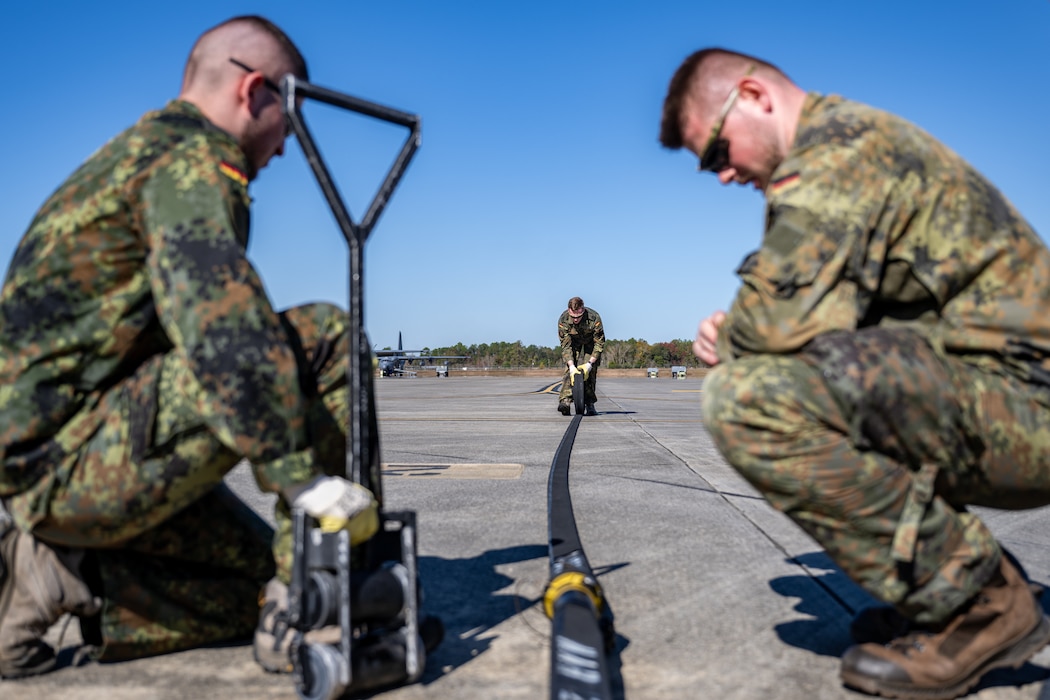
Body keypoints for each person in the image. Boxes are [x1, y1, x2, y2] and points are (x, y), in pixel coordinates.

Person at [660, 47, 1050, 699]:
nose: (723, 175)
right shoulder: (846, 143)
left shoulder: (836, 154)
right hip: (1003, 396)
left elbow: (777, 328)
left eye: (716, 152)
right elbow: (815, 329)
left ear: (754, 96)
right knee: (802, 381)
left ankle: (984, 605)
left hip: (1028, 409)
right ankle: (940, 596)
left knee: (747, 401)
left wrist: (732, 334)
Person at [0, 16, 382, 679]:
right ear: (254, 91)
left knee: (256, 579)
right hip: (70, 463)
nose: (288, 145)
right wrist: (305, 482)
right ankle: (311, 610)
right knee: (326, 337)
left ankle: (62, 571)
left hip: (56, 465)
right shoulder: (191, 162)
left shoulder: (139, 151)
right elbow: (221, 327)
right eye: (289, 116)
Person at [557, 297, 605, 416]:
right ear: (569, 311)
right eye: (573, 317)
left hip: (591, 342)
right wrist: (572, 365)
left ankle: (589, 404)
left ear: (583, 310)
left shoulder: (594, 318)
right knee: (569, 369)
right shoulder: (563, 320)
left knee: (590, 371)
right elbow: (566, 346)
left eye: (578, 317)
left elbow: (599, 343)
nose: (576, 320)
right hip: (573, 342)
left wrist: (590, 363)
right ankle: (565, 402)